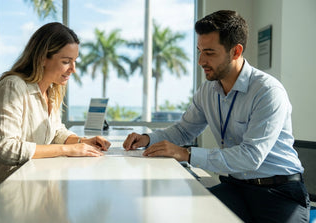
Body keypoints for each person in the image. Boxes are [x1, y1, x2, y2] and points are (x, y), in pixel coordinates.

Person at [123, 10, 310, 222]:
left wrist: (187, 154)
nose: (201, 60)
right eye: (199, 51)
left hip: (279, 192)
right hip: (236, 187)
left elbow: (251, 157)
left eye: (210, 53)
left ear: (236, 52)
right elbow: (185, 130)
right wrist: (148, 139)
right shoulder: (207, 91)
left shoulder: (268, 91)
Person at [0, 22, 110, 216]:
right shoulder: (13, 87)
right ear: (43, 57)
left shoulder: (51, 90)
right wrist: (68, 149)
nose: (73, 69)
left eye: (75, 61)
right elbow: (6, 149)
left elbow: (56, 131)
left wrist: (82, 141)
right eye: (66, 61)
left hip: (19, 198)